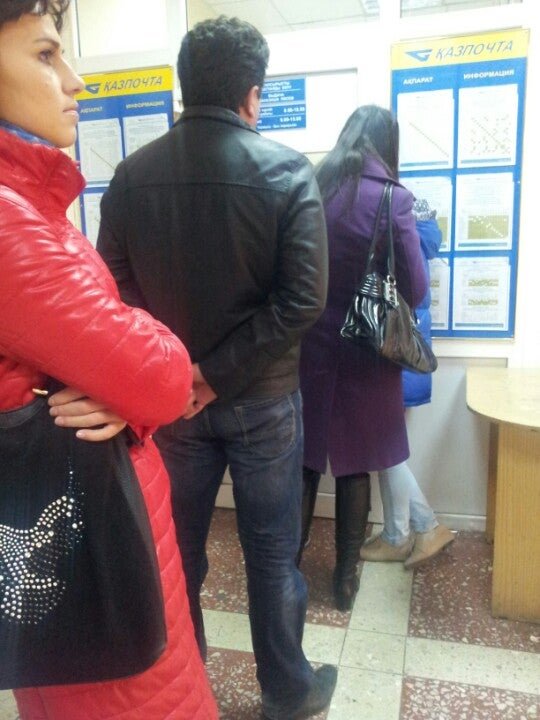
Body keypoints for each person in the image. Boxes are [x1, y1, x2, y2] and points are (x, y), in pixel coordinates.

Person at [97, 15, 336, 720]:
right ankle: (288, 692)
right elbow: (302, 301)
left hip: (171, 406)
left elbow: (113, 293)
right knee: (272, 555)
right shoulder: (288, 172)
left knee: (179, 555)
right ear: (252, 95)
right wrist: (219, 372)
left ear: (184, 84)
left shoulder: (131, 177)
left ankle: (189, 684)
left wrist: (184, 372)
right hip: (263, 400)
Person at [0, 2, 218, 718]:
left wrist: (118, 374)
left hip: (84, 528)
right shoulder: (9, 224)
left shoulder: (31, 203)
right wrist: (134, 373)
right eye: (45, 55)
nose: (74, 80)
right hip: (92, 543)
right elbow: (163, 379)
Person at [297, 105, 430, 611]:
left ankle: (287, 569)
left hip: (309, 344)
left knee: (305, 460)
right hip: (367, 348)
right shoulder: (393, 198)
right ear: (386, 144)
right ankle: (345, 580)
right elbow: (415, 288)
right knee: (355, 463)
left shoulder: (311, 186)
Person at [360, 198, 455, 569]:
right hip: (406, 350)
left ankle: (425, 527)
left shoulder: (391, 225)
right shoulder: (416, 226)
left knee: (385, 447)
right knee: (387, 446)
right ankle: (397, 534)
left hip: (390, 351)